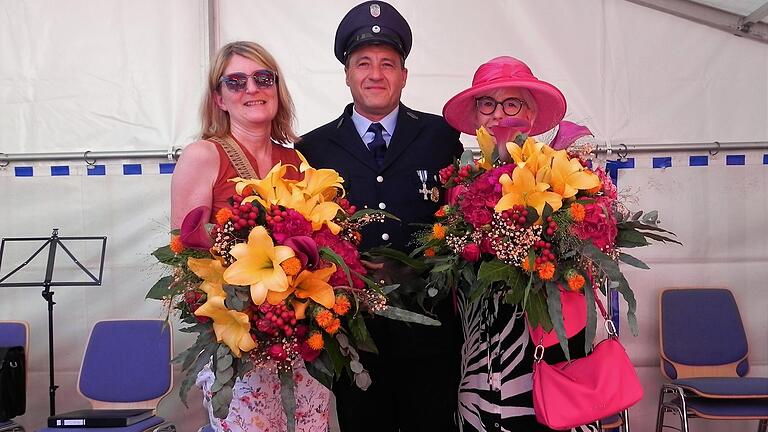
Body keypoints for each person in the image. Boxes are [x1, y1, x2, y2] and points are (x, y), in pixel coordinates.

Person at [296, 2, 464, 431]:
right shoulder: (313, 149)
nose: (376, 74)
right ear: (347, 74)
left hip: (429, 328)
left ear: (404, 75)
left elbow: (459, 220)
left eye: (388, 63)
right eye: (363, 63)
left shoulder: (441, 135)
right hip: (354, 334)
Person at [170, 41, 330, 432]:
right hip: (240, 343)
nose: (252, 90)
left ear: (277, 89)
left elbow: (321, 246)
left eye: (263, 79)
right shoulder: (204, 155)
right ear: (219, 98)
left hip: (296, 339)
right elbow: (183, 252)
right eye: (236, 82)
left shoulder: (297, 161)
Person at [442, 56, 596, 432]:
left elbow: (586, 264)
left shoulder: (564, 177)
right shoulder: (459, 188)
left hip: (549, 349)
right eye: (487, 104)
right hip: (480, 354)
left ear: (530, 114)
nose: (498, 115)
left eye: (511, 104)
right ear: (476, 116)